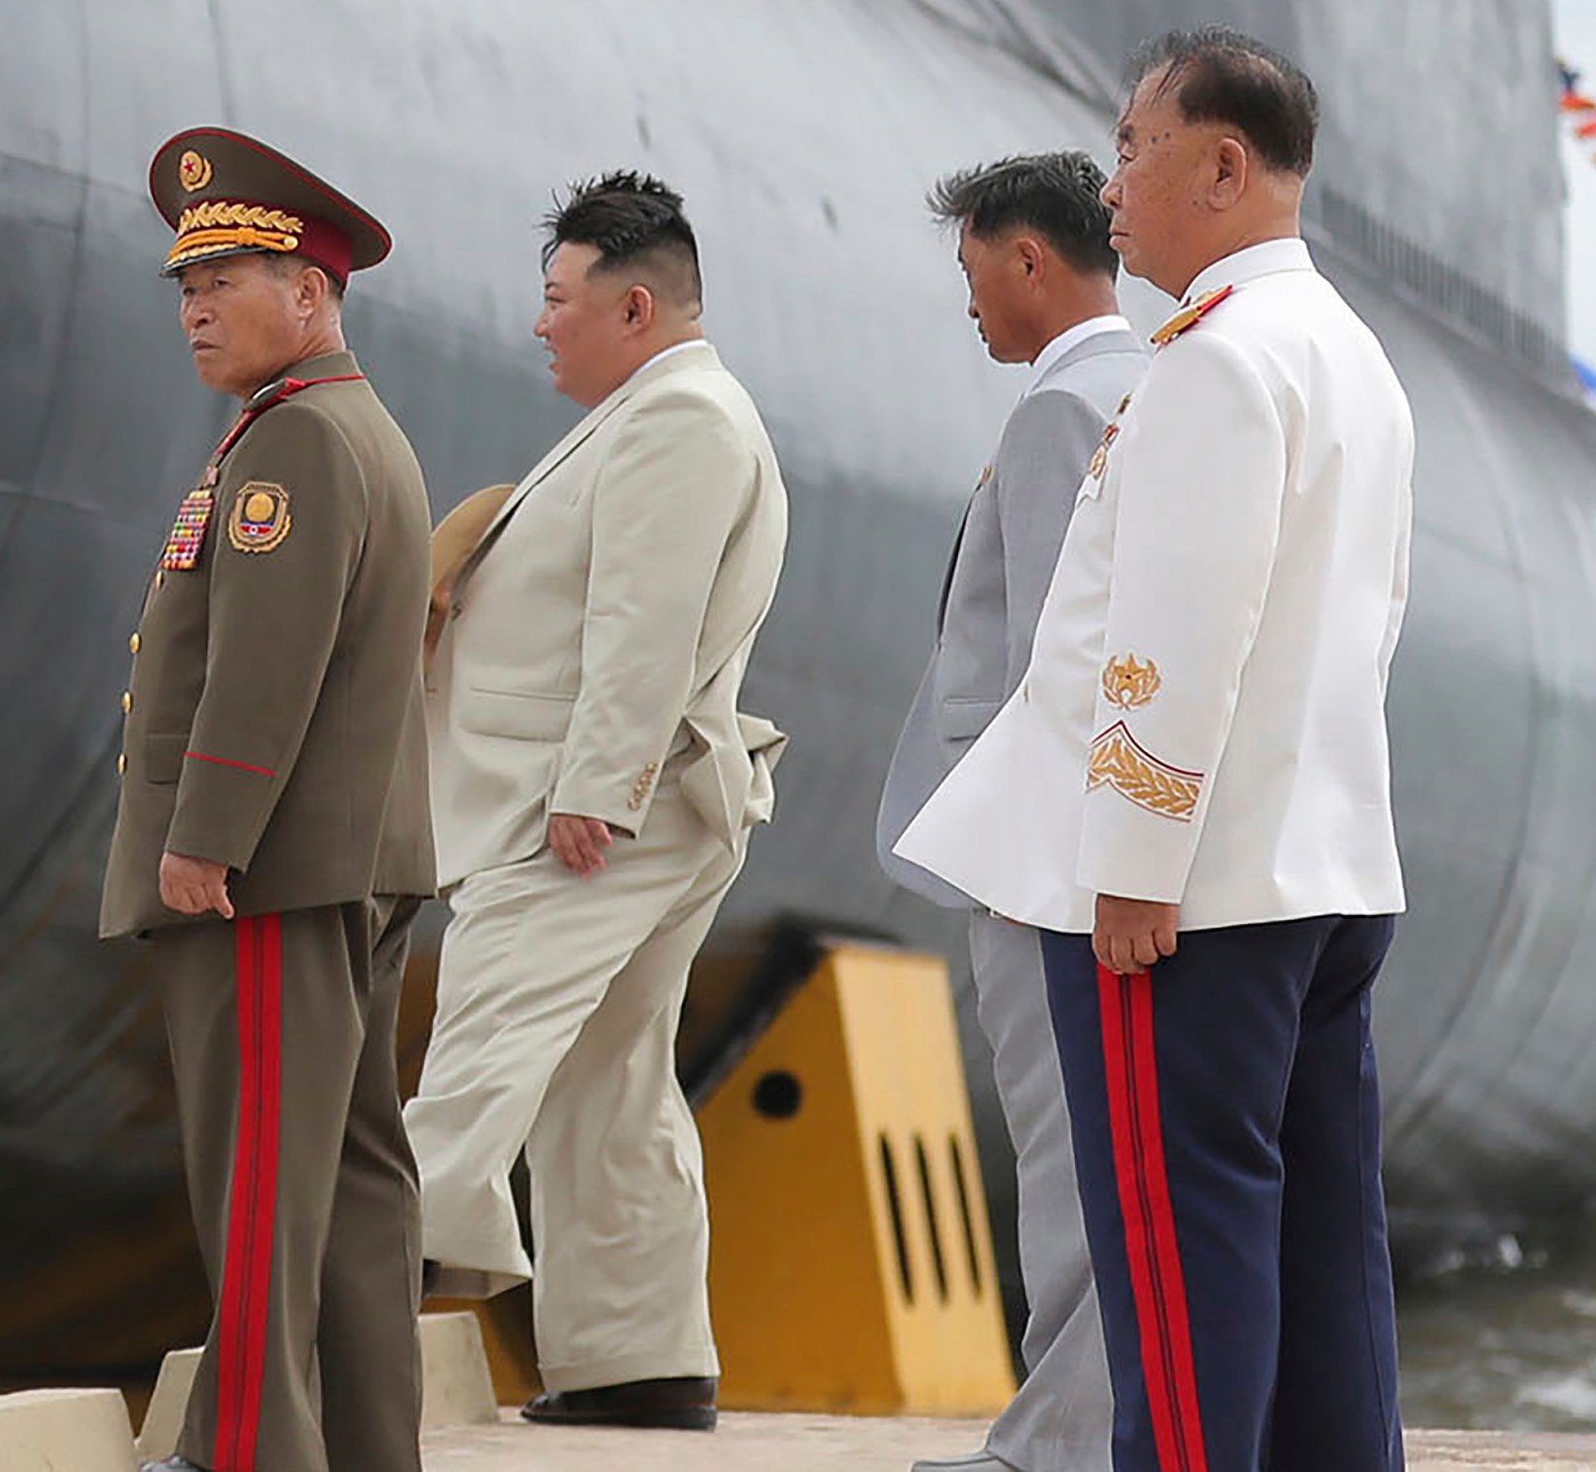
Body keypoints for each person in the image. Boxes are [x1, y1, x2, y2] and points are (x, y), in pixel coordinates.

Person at [901, 35, 1413, 1472]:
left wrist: (1131, 863)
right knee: (1321, 1241)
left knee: (1176, 1264)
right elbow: (1365, 624)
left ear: (1222, 165)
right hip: (1317, 870)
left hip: (1182, 899)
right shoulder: (1350, 358)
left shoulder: (1214, 361)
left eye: (1130, 146)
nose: (1108, 182)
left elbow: (1175, 636)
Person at [409, 171, 785, 1434]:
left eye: (559, 301)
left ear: (634, 308)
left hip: (587, 817)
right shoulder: (659, 408)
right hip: (635, 803)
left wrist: (597, 793)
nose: (540, 324)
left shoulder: (681, 421)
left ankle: (344, 1310)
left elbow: (645, 621)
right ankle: (639, 1365)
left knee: (481, 1046)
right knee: (610, 1084)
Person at [104, 128, 435, 1472]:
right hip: (338, 860)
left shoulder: (294, 444)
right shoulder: (337, 426)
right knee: (349, 1178)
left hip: (266, 871)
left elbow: (263, 666)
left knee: (259, 1179)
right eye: (184, 283)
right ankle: (361, 1447)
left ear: (309, 290)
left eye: (226, 276)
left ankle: (238, 1450)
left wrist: (202, 839)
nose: (192, 305)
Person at [877, 153, 1142, 1472]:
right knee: (1105, 1162)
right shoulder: (1141, 382)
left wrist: (1030, 863)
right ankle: (1088, 1427)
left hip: (1039, 864)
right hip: (1093, 855)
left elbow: (1054, 671)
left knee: (1062, 1159)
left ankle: (1054, 1444)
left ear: (1023, 257)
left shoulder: (1060, 408)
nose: (968, 302)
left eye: (972, 270)